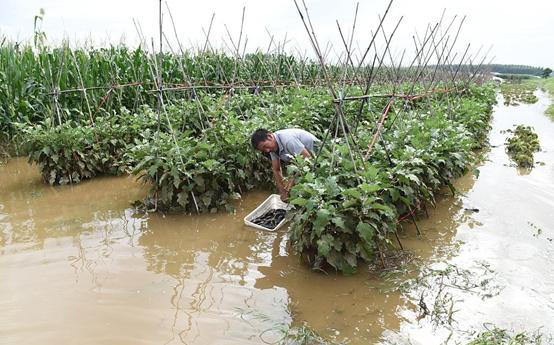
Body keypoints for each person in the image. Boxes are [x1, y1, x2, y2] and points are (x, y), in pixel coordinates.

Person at [251, 128, 320, 201]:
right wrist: (283, 192)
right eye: (263, 150)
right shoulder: (272, 147)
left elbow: (307, 158)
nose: (267, 150)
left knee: (304, 185)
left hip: (320, 157)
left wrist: (292, 179)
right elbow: (276, 169)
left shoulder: (288, 141)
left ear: (270, 136)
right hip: (308, 161)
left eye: (265, 146)